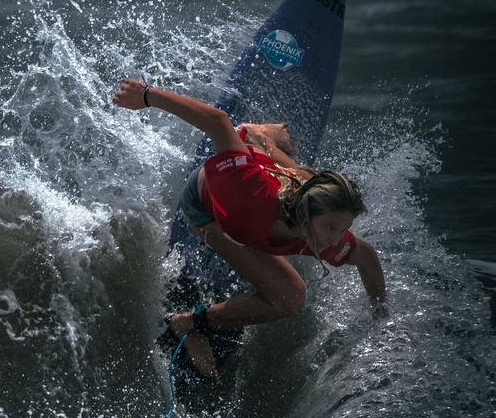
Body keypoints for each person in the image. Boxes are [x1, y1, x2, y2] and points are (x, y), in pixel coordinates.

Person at [112, 78, 387, 379]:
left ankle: (260, 138)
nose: (335, 239)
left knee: (307, 180)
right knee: (292, 294)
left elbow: (368, 256)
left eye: (342, 228)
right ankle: (187, 324)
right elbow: (217, 122)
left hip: (278, 190)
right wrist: (147, 96)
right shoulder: (248, 191)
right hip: (206, 208)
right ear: (307, 213)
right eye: (331, 227)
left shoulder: (322, 233)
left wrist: (381, 316)